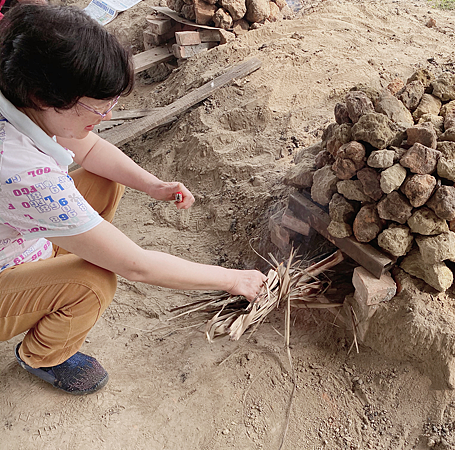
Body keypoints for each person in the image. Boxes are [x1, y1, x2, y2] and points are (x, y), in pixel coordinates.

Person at [0, 4, 267, 395]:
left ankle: (61, 265)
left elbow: (88, 150)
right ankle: (43, 355)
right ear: (44, 97)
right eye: (97, 107)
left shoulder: (18, 95)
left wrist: (154, 185)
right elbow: (137, 267)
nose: (106, 116)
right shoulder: (21, 170)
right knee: (93, 281)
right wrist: (233, 279)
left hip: (15, 239)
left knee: (106, 181)